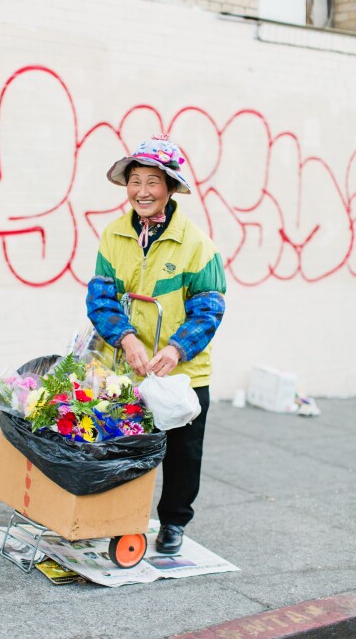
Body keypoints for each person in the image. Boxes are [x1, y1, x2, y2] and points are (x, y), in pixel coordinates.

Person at [86, 134, 226, 554]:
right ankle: (121, 518)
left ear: (169, 187)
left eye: (152, 182)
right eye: (134, 181)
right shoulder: (114, 235)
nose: (142, 191)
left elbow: (209, 310)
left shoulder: (197, 244)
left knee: (183, 454)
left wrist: (177, 349)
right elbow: (101, 297)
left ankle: (173, 523)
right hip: (128, 364)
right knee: (123, 444)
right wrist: (126, 339)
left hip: (182, 371)